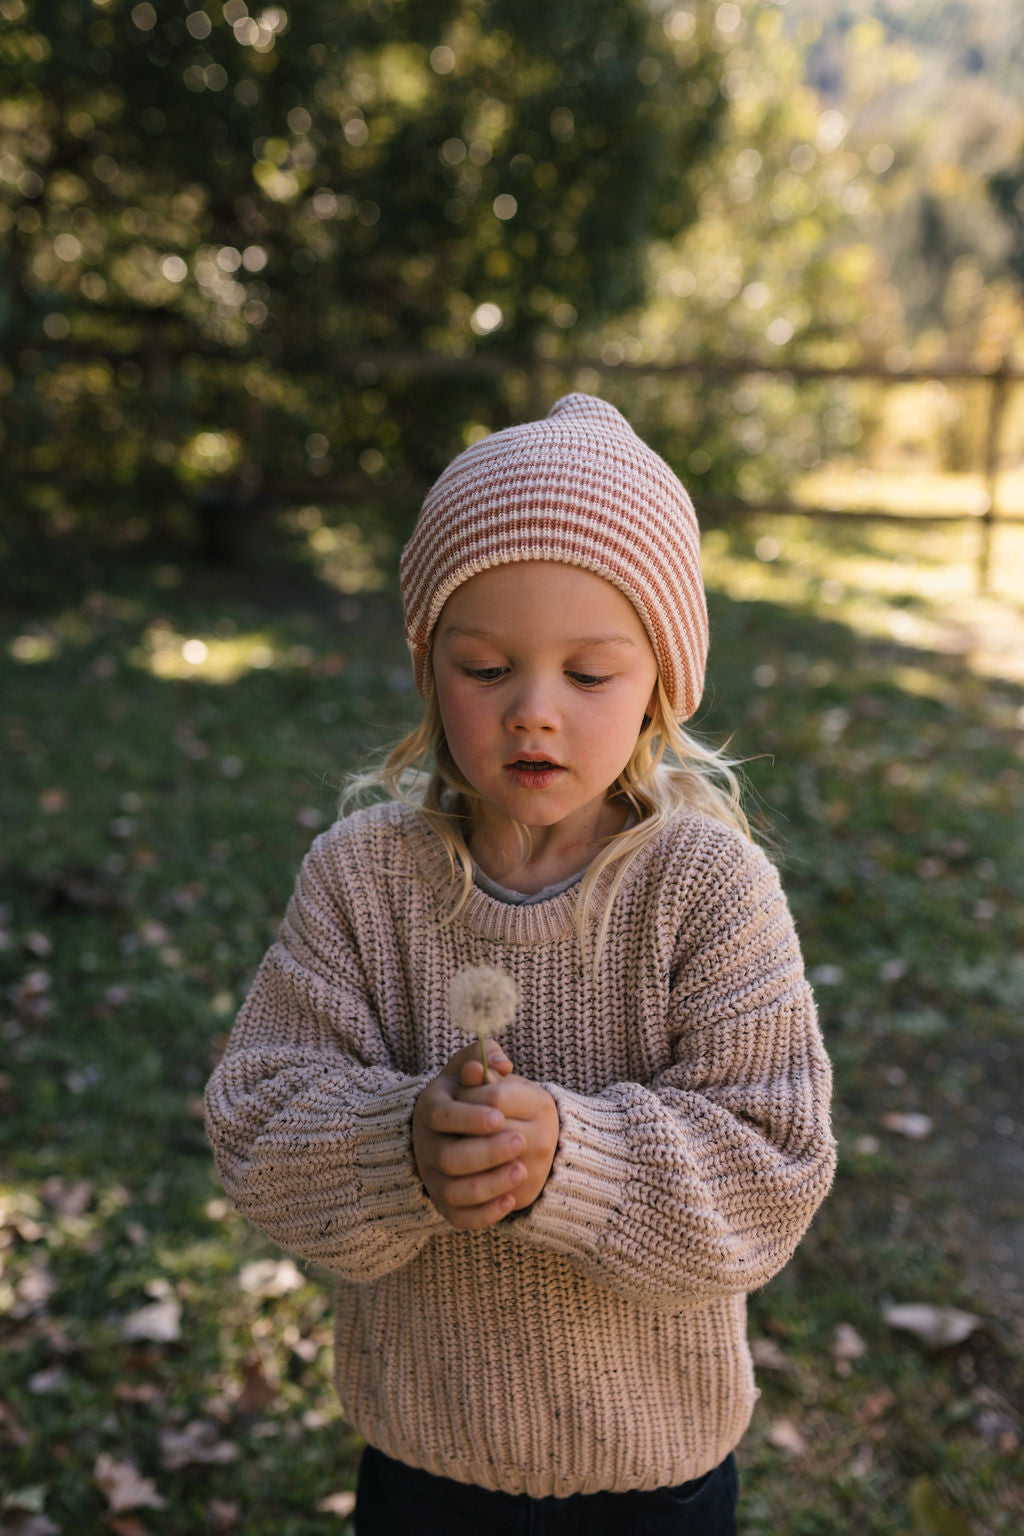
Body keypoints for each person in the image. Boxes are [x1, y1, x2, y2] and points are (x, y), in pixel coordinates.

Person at [204, 394, 836, 1535]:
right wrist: (401, 1144)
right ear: (426, 667)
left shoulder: (706, 890)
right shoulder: (364, 881)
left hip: (657, 1477)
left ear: (662, 681)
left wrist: (570, 1162)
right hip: (425, 1464)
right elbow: (257, 1119)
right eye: (486, 667)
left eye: (588, 676)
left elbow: (772, 1167)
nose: (533, 713)